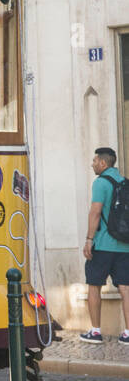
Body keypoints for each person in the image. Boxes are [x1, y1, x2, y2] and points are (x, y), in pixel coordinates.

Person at [81, 147, 129, 344]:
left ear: (103, 163)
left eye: (94, 161)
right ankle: (128, 333)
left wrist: (89, 239)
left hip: (102, 244)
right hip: (125, 246)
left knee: (94, 285)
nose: (92, 164)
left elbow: (95, 212)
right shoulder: (124, 182)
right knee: (125, 288)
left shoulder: (100, 183)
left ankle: (95, 331)